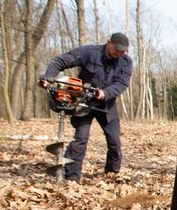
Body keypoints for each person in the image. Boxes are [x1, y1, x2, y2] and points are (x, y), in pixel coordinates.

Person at [39, 33, 133, 182]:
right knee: (81, 138)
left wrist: (105, 93)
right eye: (117, 49)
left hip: (107, 104)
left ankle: (112, 174)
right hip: (83, 103)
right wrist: (48, 77)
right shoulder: (89, 52)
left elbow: (122, 83)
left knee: (114, 141)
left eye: (123, 51)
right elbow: (61, 60)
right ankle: (72, 177)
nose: (119, 53)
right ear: (109, 42)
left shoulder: (126, 62)